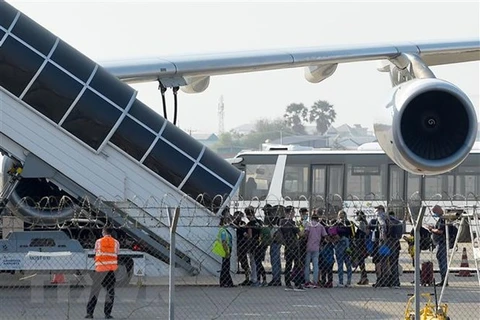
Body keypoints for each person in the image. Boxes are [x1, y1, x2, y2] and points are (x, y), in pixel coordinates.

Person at [85, 227, 120, 319]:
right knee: (110, 292)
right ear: (111, 232)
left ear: (103, 232)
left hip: (100, 270)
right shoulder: (116, 242)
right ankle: (107, 314)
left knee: (95, 292)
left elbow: (96, 252)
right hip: (111, 271)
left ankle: (90, 313)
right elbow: (116, 253)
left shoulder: (98, 242)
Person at [304, 213, 327, 288]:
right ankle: (315, 282)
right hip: (316, 247)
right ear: (317, 219)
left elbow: (306, 234)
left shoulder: (309, 225)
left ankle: (307, 281)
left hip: (308, 247)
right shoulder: (320, 226)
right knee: (315, 265)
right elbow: (325, 236)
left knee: (307, 265)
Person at [428, 205, 448, 286]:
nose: (434, 214)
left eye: (435, 212)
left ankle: (444, 279)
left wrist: (431, 229)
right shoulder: (442, 218)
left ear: (438, 210)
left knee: (442, 260)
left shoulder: (443, 219)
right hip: (441, 242)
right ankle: (444, 279)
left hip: (442, 242)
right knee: (441, 258)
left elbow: (440, 231)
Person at [333, 210, 353, 287]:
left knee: (347, 264)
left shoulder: (348, 223)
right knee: (341, 264)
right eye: (340, 215)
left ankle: (348, 281)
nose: (341, 216)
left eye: (342, 215)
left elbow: (351, 233)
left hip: (344, 245)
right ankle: (342, 281)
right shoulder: (337, 223)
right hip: (340, 244)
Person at [232, 211, 250, 286]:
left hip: (241, 245)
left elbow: (245, 234)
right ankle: (247, 277)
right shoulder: (233, 223)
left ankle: (247, 278)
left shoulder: (241, 224)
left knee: (244, 262)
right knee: (242, 261)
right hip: (237, 245)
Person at [353, 211, 369, 285]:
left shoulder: (362, 224)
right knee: (361, 262)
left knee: (361, 262)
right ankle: (363, 277)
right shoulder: (365, 223)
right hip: (363, 245)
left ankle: (364, 277)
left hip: (361, 246)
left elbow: (361, 234)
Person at [218, 216, 235, 287]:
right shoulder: (223, 231)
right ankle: (226, 282)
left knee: (226, 266)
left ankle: (225, 281)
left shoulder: (224, 230)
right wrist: (227, 252)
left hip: (227, 249)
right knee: (226, 266)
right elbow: (224, 242)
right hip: (226, 250)